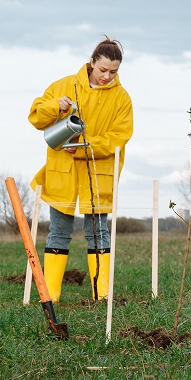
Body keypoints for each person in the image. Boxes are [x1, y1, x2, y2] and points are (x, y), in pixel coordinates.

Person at [28, 37, 134, 303]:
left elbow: (118, 137)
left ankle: (102, 295)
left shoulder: (122, 98)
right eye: (103, 70)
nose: (107, 76)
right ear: (91, 63)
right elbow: (36, 117)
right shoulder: (64, 85)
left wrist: (86, 147)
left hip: (99, 172)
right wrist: (56, 107)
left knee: (98, 232)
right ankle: (50, 295)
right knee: (59, 230)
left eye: (113, 72)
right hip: (61, 171)